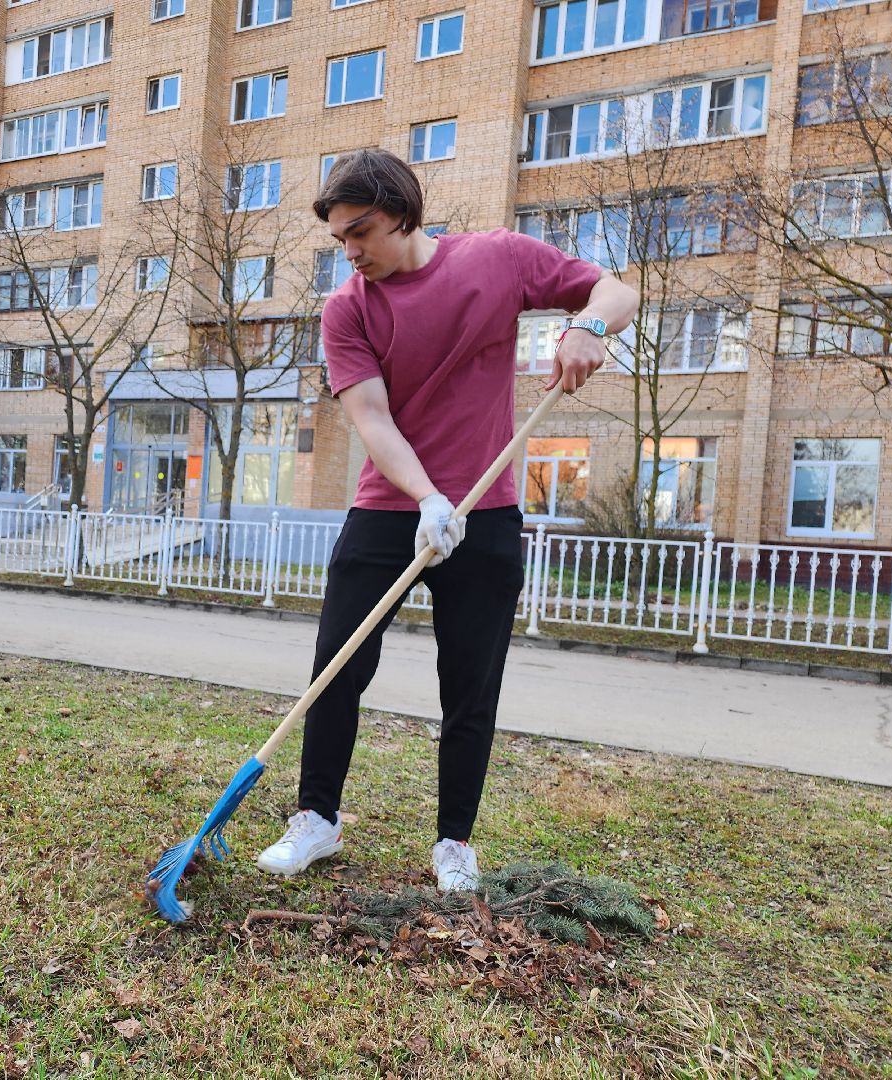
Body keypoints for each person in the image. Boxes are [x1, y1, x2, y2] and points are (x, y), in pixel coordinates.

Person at [255, 149, 640, 889]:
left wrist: (588, 327)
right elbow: (371, 419)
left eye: (361, 231)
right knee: (336, 668)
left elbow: (616, 291)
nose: (352, 251)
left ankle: (454, 843)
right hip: (388, 511)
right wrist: (427, 498)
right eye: (340, 239)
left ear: (402, 211)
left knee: (471, 685)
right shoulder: (347, 309)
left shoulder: (497, 260)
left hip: (487, 515)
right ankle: (316, 821)